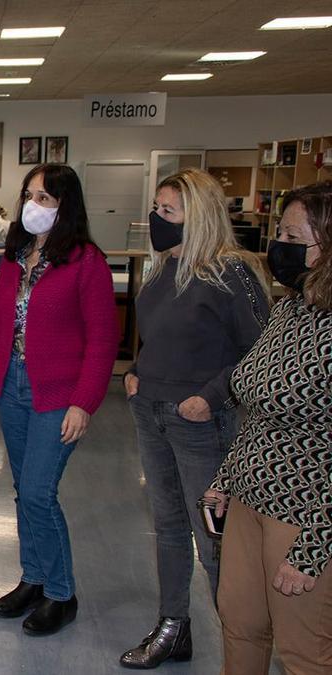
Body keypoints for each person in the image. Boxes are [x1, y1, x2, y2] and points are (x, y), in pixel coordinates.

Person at [119, 169, 271, 669]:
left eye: (169, 212)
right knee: (167, 527)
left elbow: (261, 353)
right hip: (151, 412)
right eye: (157, 208)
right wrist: (137, 370)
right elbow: (163, 338)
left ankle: (242, 643)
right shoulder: (165, 269)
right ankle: (173, 625)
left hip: (202, 424)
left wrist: (210, 395)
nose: (156, 220)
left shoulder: (231, 273)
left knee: (214, 540)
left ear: (199, 217)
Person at [0, 164, 119, 636]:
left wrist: (84, 402)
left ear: (65, 207)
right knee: (24, 491)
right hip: (13, 385)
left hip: (58, 391)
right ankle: (32, 577)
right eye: (29, 195)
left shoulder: (86, 261)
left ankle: (61, 592)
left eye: (45, 199)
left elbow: (102, 339)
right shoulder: (15, 256)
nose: (33, 206)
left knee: (39, 491)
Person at [205, 180, 332, 674]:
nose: (279, 245)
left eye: (294, 236)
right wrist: (226, 479)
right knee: (240, 626)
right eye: (280, 231)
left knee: (305, 654)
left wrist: (313, 547)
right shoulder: (288, 310)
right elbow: (257, 409)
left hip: (306, 514)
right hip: (250, 500)